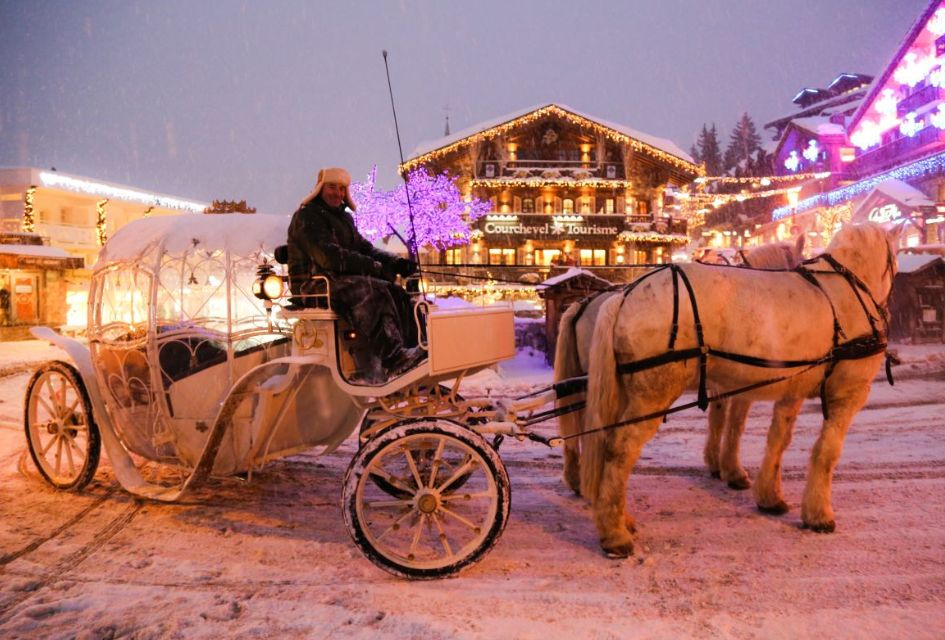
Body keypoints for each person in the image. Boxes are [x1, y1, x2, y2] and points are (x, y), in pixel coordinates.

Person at [286, 167, 422, 381]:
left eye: (342, 189)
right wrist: (374, 267)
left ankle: (414, 349)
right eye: (332, 187)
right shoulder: (306, 217)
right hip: (312, 284)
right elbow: (328, 257)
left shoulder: (344, 219)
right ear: (320, 188)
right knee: (369, 290)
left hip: (337, 280)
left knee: (394, 290)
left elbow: (365, 249)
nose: (337, 193)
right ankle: (393, 358)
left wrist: (395, 262)